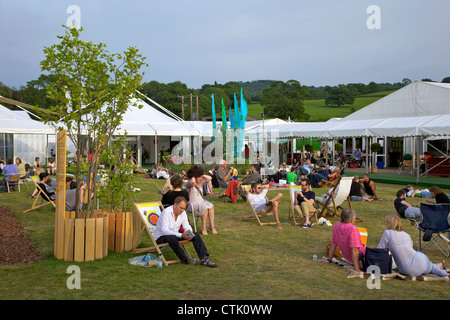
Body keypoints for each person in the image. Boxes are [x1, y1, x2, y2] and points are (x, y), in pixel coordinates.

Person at [153, 196, 217, 267]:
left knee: (195, 234)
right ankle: (185, 259)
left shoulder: (183, 213)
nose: (182, 210)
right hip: (161, 238)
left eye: (184, 208)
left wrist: (190, 233)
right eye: (181, 208)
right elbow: (165, 231)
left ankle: (204, 258)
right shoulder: (166, 213)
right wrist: (181, 235)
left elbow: (186, 226)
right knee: (172, 237)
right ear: (175, 205)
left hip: (175, 236)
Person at [377, 214, 448, 277]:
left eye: (386, 222)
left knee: (428, 266)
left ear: (389, 224)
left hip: (407, 270)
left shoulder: (387, 233)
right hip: (420, 260)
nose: (385, 224)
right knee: (430, 267)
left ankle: (439, 267)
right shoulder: (406, 235)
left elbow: (379, 250)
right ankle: (442, 272)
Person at [320, 208, 366, 273]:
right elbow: (354, 250)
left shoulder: (337, 226)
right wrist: (357, 269)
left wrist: (329, 259)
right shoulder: (353, 229)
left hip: (349, 258)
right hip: (361, 258)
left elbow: (333, 244)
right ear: (352, 220)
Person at [185, 165, 217, 235]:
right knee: (204, 207)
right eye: (199, 177)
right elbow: (193, 182)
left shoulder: (201, 182)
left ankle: (211, 226)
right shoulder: (189, 183)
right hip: (192, 204)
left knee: (211, 206)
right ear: (195, 177)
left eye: (201, 177)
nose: (200, 178)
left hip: (201, 202)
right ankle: (203, 227)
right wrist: (193, 176)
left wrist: (202, 175)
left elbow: (210, 178)